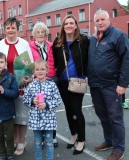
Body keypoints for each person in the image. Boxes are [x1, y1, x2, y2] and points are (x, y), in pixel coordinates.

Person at [87, 10, 129, 160]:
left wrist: (123, 83)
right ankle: (109, 141)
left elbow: (126, 60)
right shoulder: (93, 38)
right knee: (103, 115)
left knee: (115, 118)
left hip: (112, 85)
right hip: (95, 85)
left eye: (102, 19)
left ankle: (119, 149)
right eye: (97, 20)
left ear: (109, 20)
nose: (100, 22)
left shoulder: (118, 36)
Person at [0, 17, 33, 156]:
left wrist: (29, 77)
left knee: (22, 116)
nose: (10, 30)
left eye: (13, 28)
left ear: (17, 29)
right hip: (7, 85)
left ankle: (22, 142)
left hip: (22, 85)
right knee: (11, 116)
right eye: (8, 28)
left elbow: (30, 64)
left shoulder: (24, 43)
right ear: (4, 30)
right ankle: (15, 140)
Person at [52, 15, 89, 155]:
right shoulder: (58, 42)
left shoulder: (83, 40)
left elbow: (89, 58)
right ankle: (73, 134)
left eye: (71, 23)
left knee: (76, 110)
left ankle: (82, 140)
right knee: (68, 109)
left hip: (77, 81)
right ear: (63, 26)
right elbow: (54, 60)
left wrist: (85, 73)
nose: (68, 25)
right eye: (66, 23)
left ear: (75, 25)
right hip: (63, 82)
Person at [23, 60, 62, 160]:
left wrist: (47, 104)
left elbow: (58, 100)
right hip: (35, 119)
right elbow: (25, 100)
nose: (40, 72)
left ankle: (49, 158)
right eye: (37, 69)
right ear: (34, 71)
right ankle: (38, 158)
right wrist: (32, 100)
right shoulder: (31, 85)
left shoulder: (52, 85)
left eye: (42, 69)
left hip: (48, 119)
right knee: (37, 141)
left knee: (49, 141)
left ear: (47, 70)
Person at [29, 22, 58, 148]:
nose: (40, 34)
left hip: (51, 79)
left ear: (46, 34)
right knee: (38, 109)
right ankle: (39, 138)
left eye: (43, 32)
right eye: (38, 32)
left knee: (50, 108)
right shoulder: (29, 47)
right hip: (37, 80)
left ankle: (52, 137)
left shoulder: (51, 46)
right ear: (34, 34)